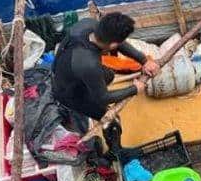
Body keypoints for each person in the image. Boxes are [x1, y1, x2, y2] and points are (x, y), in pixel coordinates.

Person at [52, 12, 160, 153]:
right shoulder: (89, 64)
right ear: (113, 44)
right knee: (112, 121)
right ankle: (115, 151)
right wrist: (134, 88)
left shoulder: (88, 24)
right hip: (68, 92)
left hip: (66, 68)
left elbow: (118, 44)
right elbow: (103, 97)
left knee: (108, 75)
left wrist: (144, 60)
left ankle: (94, 88)